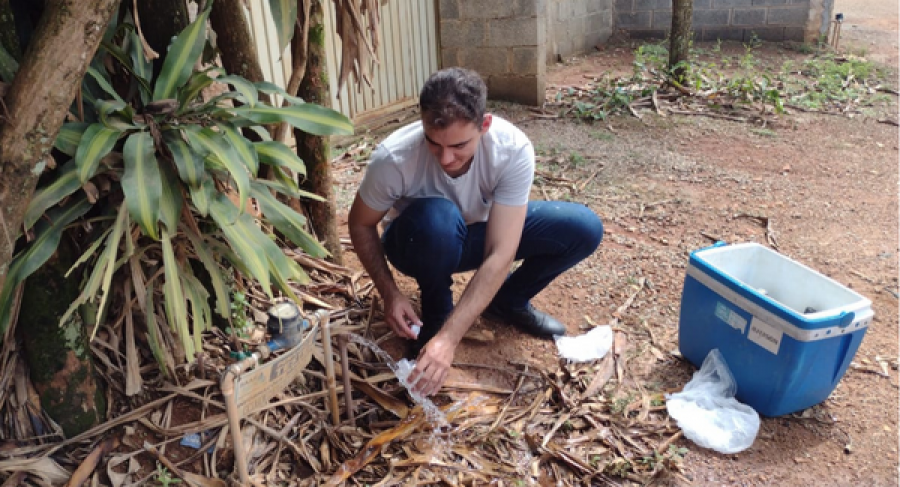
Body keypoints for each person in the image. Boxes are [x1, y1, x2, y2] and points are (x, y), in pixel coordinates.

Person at [348, 67, 603, 396]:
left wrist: (451, 339)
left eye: (458, 145)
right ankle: (436, 316)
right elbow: (360, 223)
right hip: (417, 240)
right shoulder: (394, 158)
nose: (446, 157)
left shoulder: (512, 149)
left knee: (582, 227)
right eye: (433, 143)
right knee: (438, 218)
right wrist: (390, 293)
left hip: (477, 234)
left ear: (484, 125)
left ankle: (508, 301)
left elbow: (501, 250)